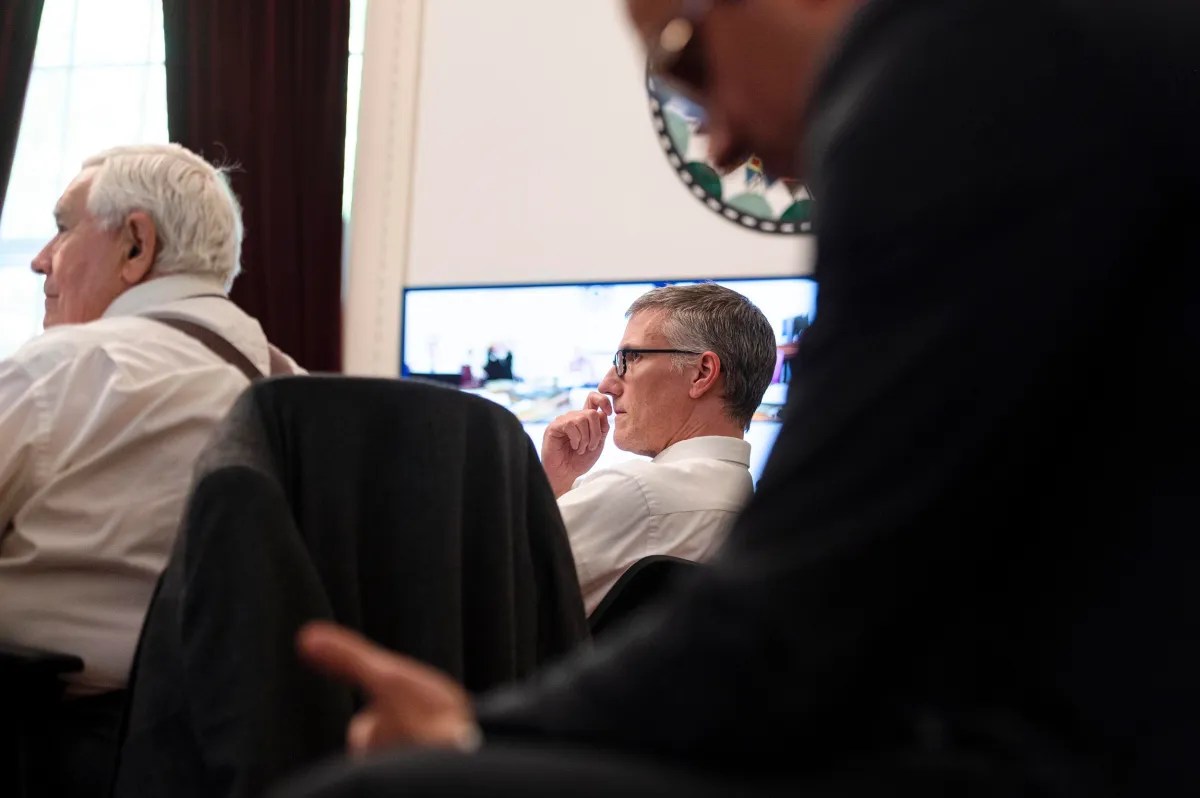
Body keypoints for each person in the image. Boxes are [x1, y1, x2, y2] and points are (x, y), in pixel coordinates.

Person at [284, 0, 1200, 795]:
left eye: (685, 55)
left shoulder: (947, 74)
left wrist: (476, 736)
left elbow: (789, 622)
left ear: (701, 372)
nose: (714, 139)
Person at [0, 143, 300, 795]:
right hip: (243, 765)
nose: (39, 261)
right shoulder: (304, 398)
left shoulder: (60, 371)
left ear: (136, 245)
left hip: (44, 751)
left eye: (61, 228)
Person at [541, 283, 777, 613]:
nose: (607, 384)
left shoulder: (637, 493)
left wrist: (550, 483)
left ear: (702, 373)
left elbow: (478, 590)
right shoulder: (740, 499)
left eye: (630, 357)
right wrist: (561, 481)